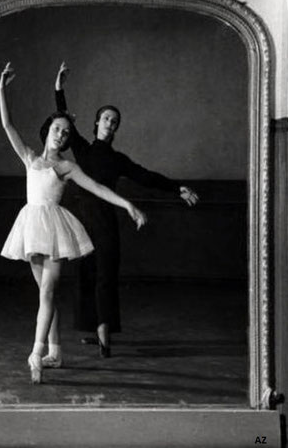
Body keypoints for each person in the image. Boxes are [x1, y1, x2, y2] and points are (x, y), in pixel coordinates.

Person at [0, 62, 146, 384]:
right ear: (48, 131)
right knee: (44, 295)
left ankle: (36, 353)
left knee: (49, 291)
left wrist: (128, 204)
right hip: (30, 226)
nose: (62, 133)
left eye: (66, 131)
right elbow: (8, 126)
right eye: (57, 129)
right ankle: (56, 351)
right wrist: (1, 89)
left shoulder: (67, 167)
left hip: (53, 230)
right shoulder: (29, 158)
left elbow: (98, 188)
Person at [53, 61, 199, 358]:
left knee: (105, 276)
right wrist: (59, 88)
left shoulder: (118, 160)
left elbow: (147, 176)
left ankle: (105, 336)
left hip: (105, 223)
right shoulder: (81, 148)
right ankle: (96, 330)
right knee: (86, 276)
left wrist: (177, 187)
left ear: (116, 129)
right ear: (96, 123)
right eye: (106, 118)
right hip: (81, 222)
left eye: (115, 120)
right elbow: (64, 119)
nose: (110, 122)